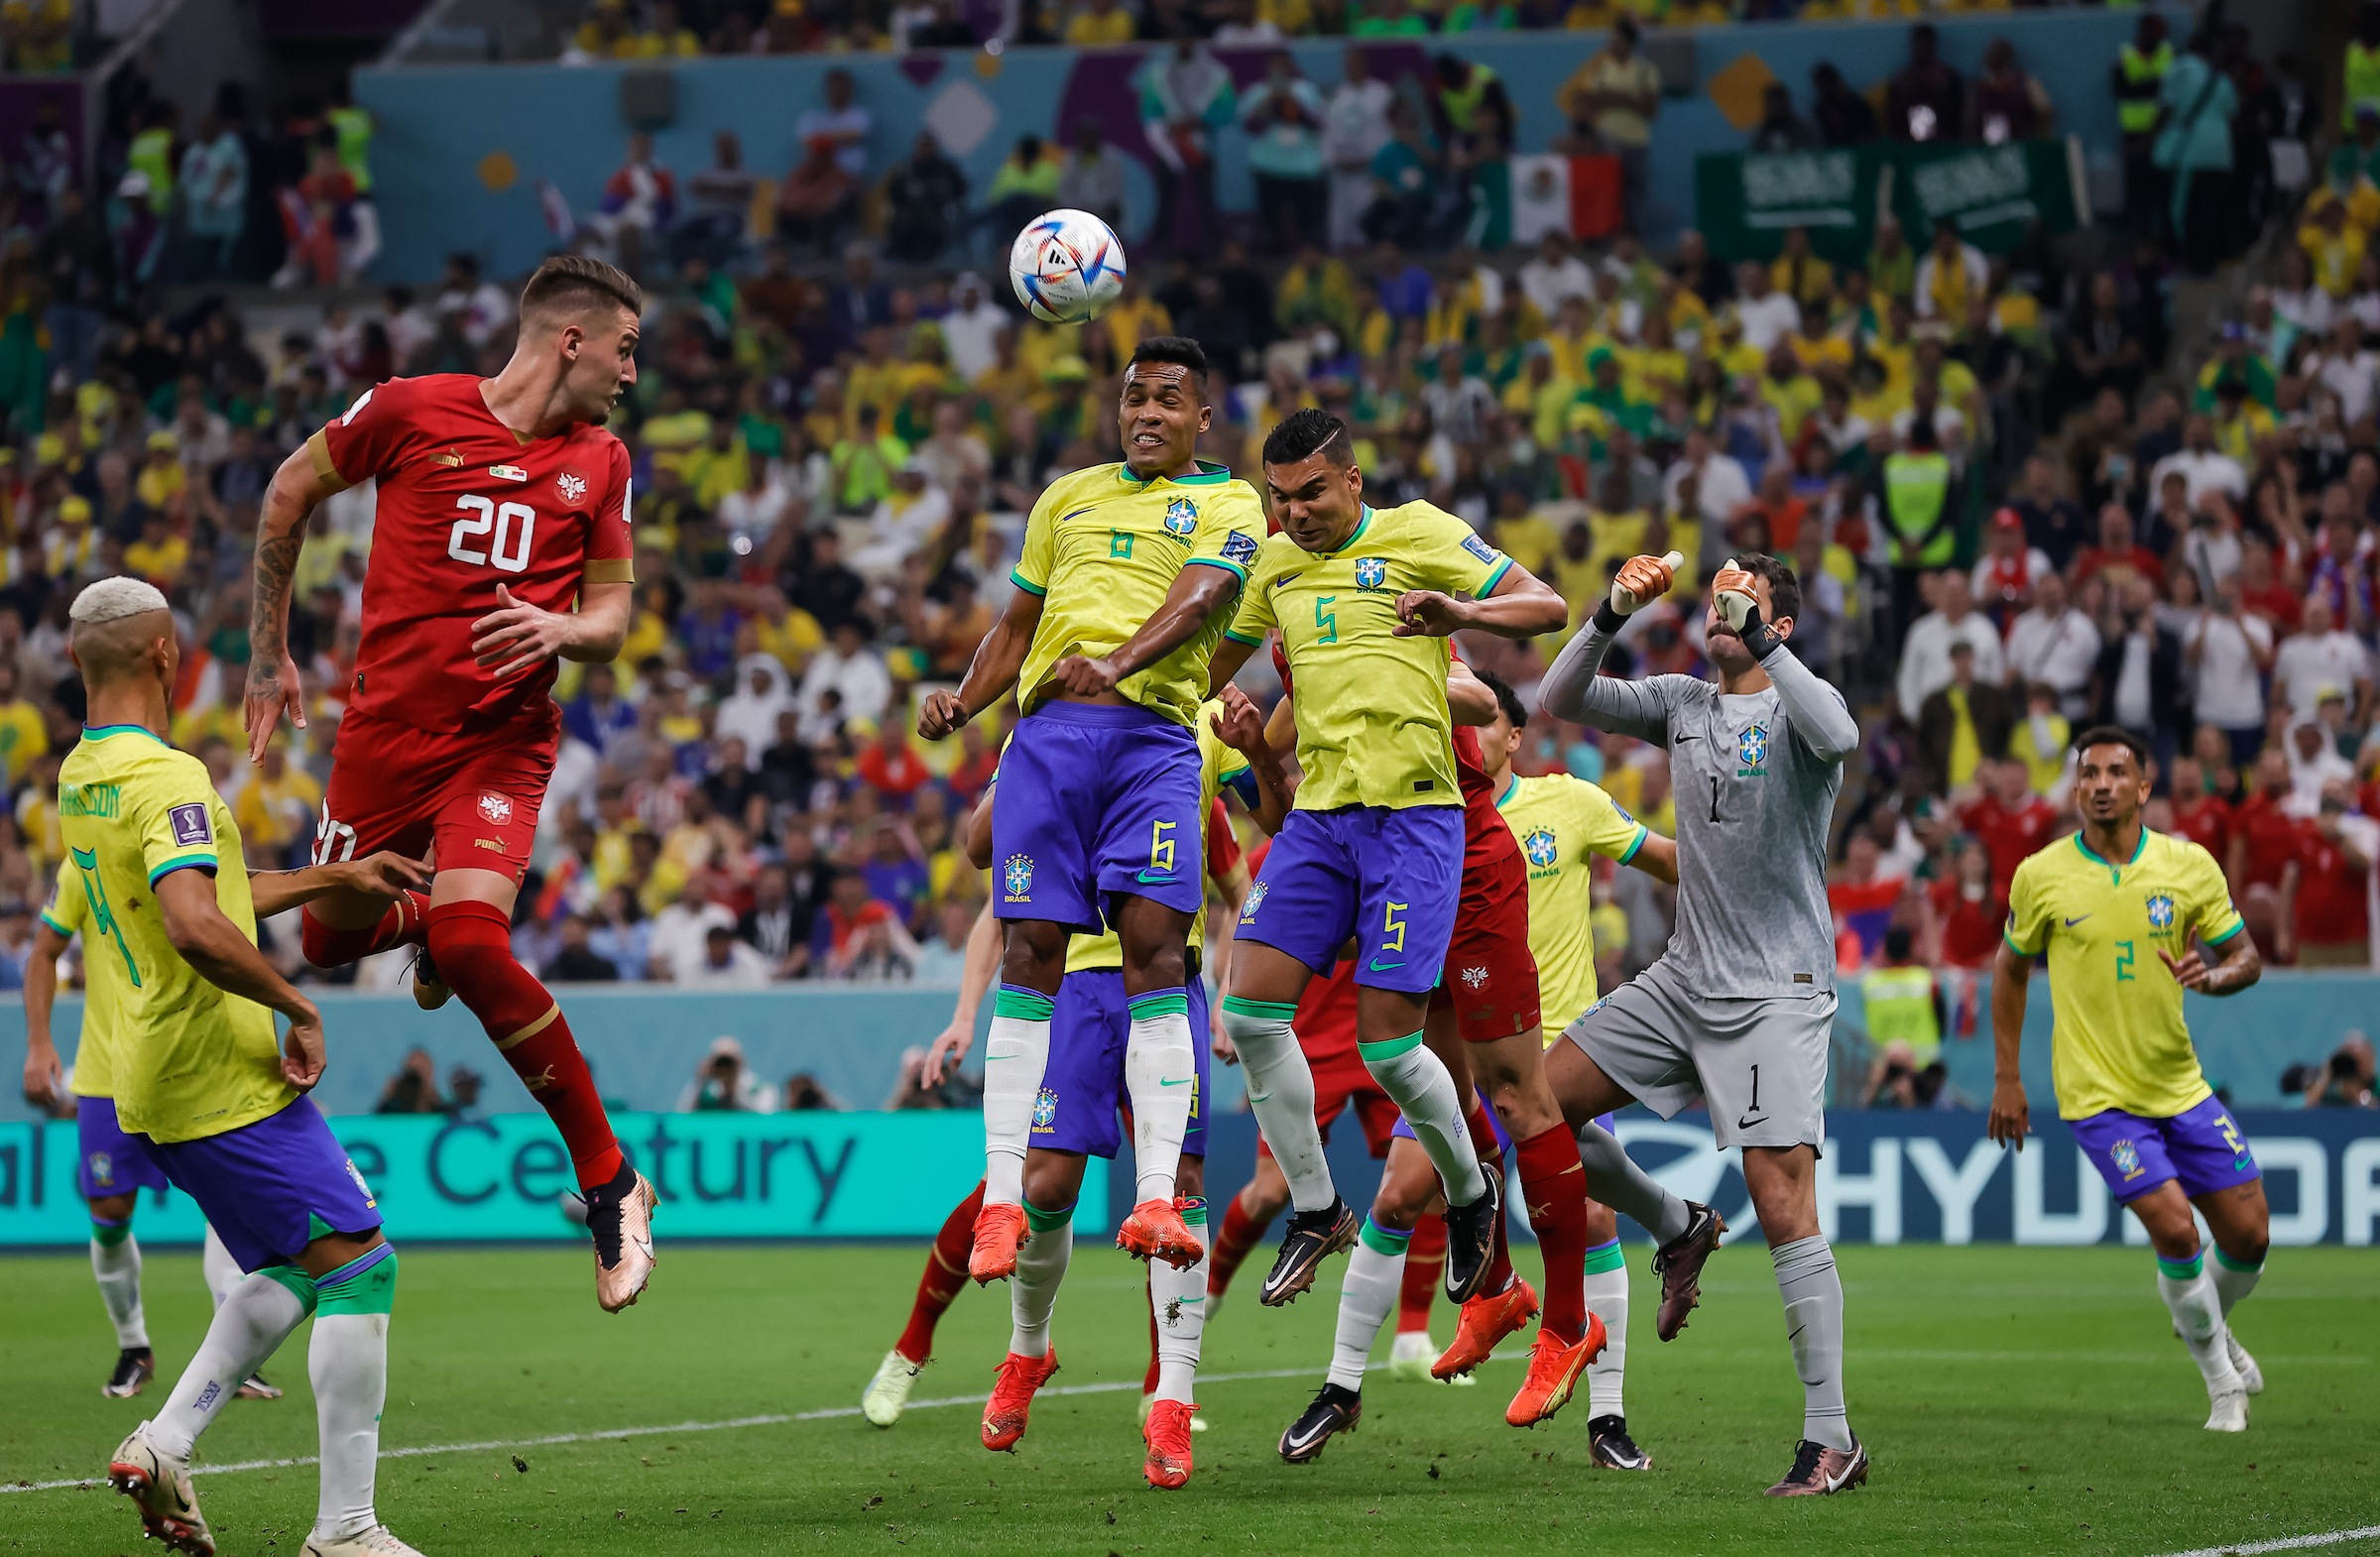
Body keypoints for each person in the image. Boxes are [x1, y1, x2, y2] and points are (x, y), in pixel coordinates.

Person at [242, 254, 658, 1313]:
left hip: (502, 740)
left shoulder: (602, 460)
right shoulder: (409, 410)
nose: (630, 373)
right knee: (329, 941)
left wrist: (561, 626)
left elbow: (610, 620)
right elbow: (287, 493)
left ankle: (610, 1180)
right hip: (383, 735)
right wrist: (265, 656)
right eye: (624, 348)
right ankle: (420, 914)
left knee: (477, 945)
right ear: (571, 339)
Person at [59, 579, 424, 1557]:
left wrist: (336, 876)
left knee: (286, 1265)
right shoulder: (172, 777)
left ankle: (163, 1442)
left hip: (144, 1077)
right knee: (361, 1267)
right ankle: (345, 1529)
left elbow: (209, 888)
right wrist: (296, 1004)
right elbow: (193, 922)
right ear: (169, 655)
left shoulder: (83, 775)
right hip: (217, 1068)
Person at [1201, 412, 1567, 1354]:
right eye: (1278, 498)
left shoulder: (1419, 535)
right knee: (1247, 1017)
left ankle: (1473, 1196)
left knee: (1391, 1050)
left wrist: (1461, 615)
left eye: (1311, 493)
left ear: (1354, 483)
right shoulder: (1275, 568)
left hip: (1415, 824)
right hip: (1320, 822)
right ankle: (1319, 1208)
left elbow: (1547, 605)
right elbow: (1217, 661)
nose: (1294, 513)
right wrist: (1227, 721)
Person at [912, 335, 1260, 1319]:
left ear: (1203, 415)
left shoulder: (1231, 504)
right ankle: (996, 1197)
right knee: (1031, 950)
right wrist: (967, 701)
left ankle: (1156, 1197)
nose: (1147, 414)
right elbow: (1017, 625)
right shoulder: (1066, 497)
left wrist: (1115, 660)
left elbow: (1204, 598)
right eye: (1134, 398)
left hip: (1152, 742)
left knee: (1156, 952)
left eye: (1168, 400)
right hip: (1048, 742)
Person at [1279, 669, 1679, 1468]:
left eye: (1490, 722)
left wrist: (1751, 884)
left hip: (1559, 1048)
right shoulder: (1422, 814)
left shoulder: (1569, 802)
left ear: (1513, 736)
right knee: (1395, 1196)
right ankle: (1341, 1387)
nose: (1475, 734)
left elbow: (1666, 860)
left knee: (1593, 1219)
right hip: (1456, 1044)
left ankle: (1609, 1418)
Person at [1538, 547, 1870, 1496]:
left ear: (1779, 622)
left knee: (1781, 1207)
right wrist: (1610, 609)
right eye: (1718, 594)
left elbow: (1841, 734)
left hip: (1775, 990)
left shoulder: (1800, 708)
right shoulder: (1682, 701)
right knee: (1533, 1107)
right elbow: (1562, 698)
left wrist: (1759, 632)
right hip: (1685, 979)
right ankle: (1674, 1221)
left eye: (1745, 596)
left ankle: (1830, 1438)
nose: (1720, 606)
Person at [1991, 727, 2269, 1433]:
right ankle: (2221, 1388)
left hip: (2180, 1084)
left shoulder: (2189, 866)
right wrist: (2008, 1077)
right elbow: (2010, 970)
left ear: (2145, 787)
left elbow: (2247, 958)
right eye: (2090, 773)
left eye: (2118, 772)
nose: (2102, 783)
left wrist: (2217, 975)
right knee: (2176, 1232)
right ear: (2077, 787)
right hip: (2098, 1098)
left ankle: (2206, 1321)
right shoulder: (2042, 873)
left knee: (2250, 1236)